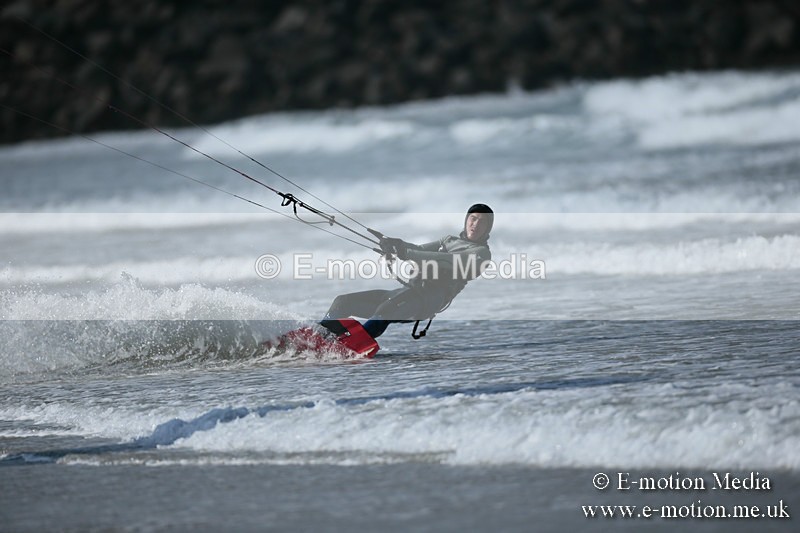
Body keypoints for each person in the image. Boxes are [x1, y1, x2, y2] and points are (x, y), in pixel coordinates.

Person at [320, 203, 494, 339]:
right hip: (408, 292)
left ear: (488, 228)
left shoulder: (481, 254)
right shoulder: (448, 240)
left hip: (428, 300)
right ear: (466, 220)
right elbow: (419, 248)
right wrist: (395, 243)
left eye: (482, 222)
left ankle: (351, 346)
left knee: (386, 309)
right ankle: (318, 338)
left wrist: (406, 253)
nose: (475, 224)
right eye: (473, 218)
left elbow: (445, 260)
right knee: (342, 301)